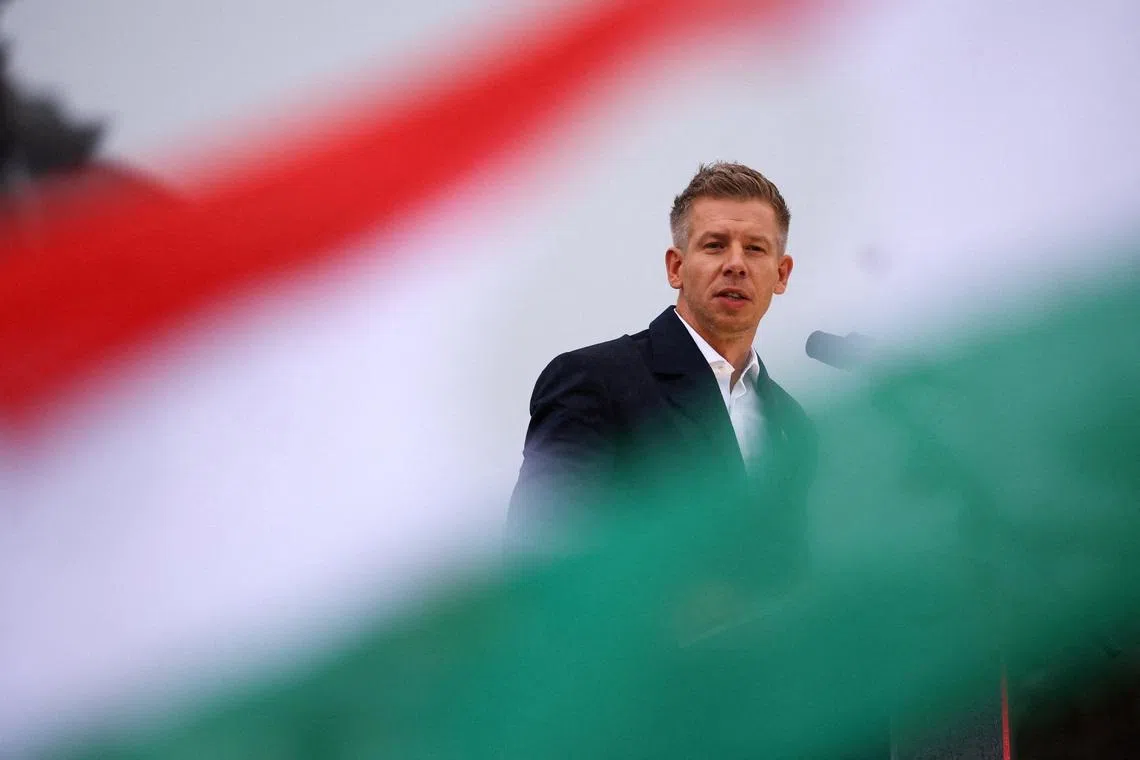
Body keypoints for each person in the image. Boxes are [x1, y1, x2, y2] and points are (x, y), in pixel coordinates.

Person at [508, 162, 817, 549]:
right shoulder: (595, 380)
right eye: (715, 245)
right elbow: (539, 550)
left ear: (781, 274)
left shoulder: (792, 422)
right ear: (676, 267)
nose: (736, 264)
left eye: (755, 249)